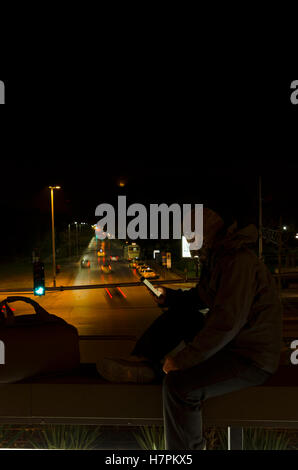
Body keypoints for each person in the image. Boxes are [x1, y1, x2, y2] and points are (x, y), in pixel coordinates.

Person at [97, 208, 283, 450]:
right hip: (236, 343)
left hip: (250, 358)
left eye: (189, 235)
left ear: (204, 235)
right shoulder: (220, 258)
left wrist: (183, 360)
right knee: (181, 316)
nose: (187, 241)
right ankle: (143, 363)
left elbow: (225, 323)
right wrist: (170, 298)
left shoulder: (237, 263)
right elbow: (202, 298)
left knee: (180, 388)